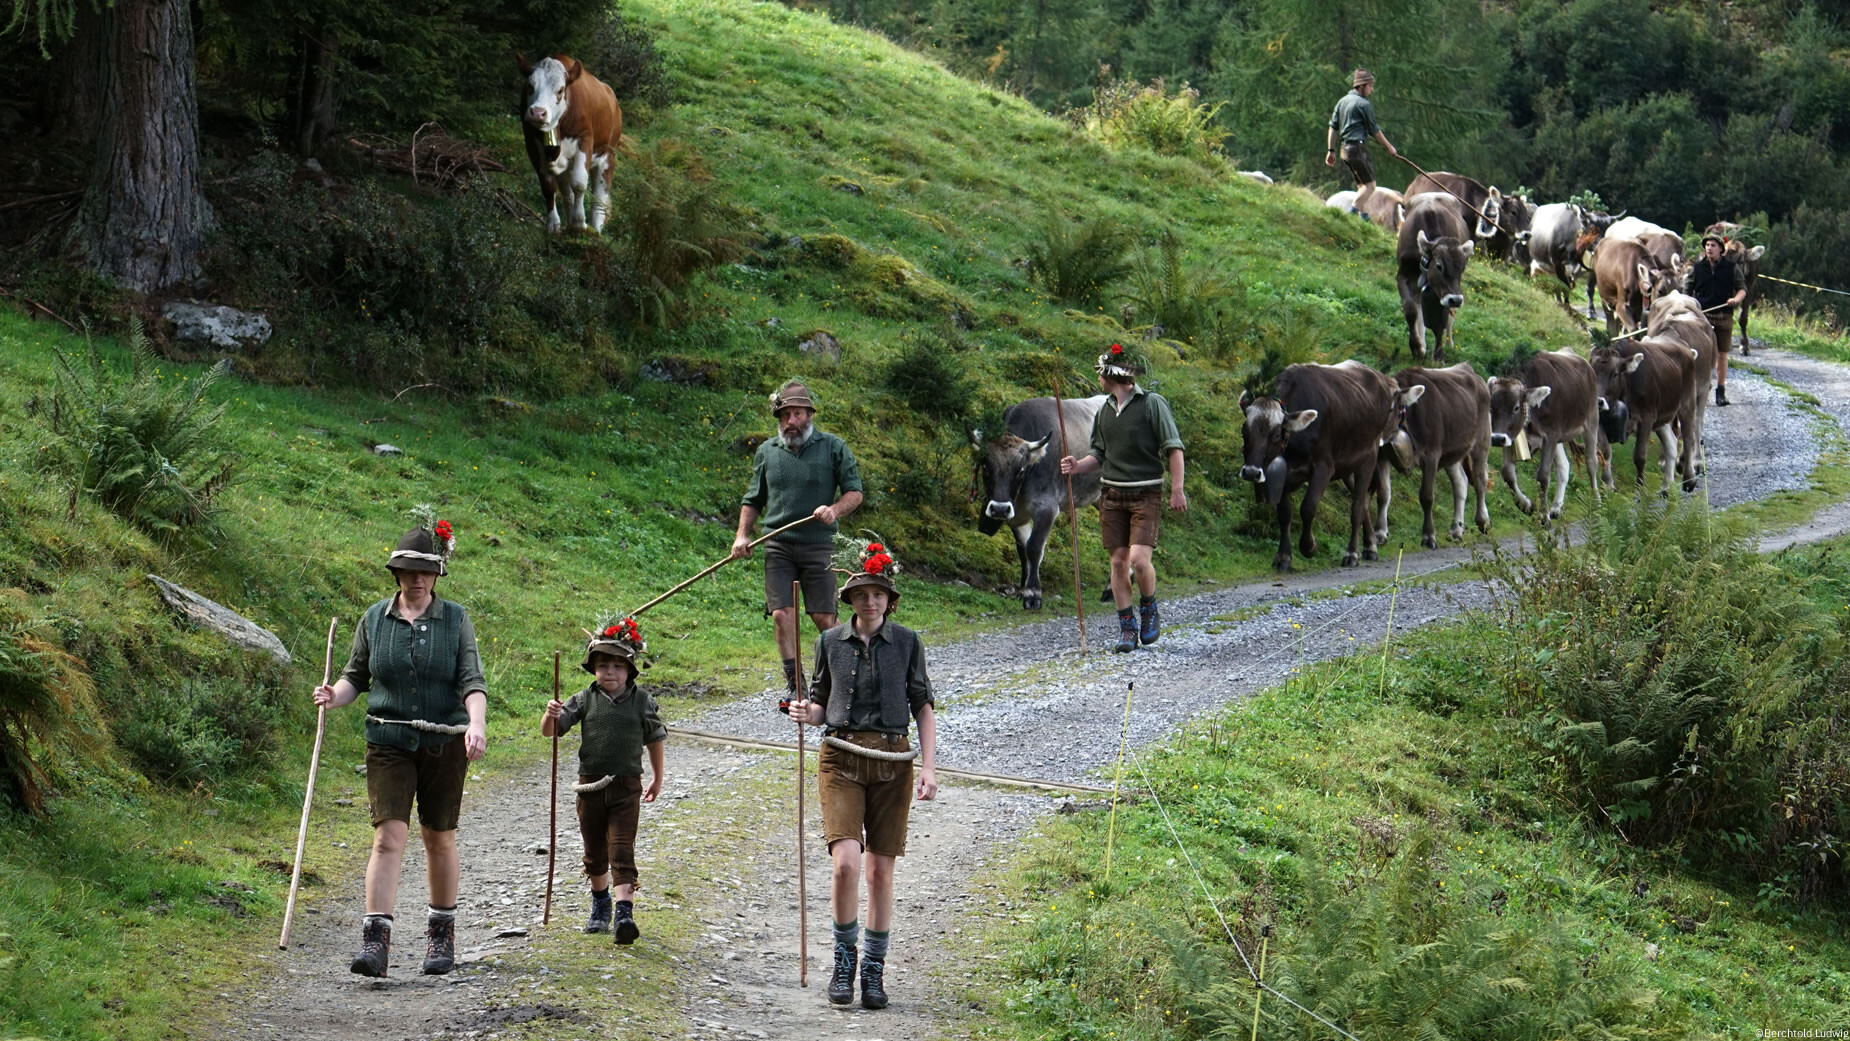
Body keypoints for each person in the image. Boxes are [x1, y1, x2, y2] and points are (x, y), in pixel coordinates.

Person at [313, 510, 487, 978]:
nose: (417, 579)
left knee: (438, 835)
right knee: (388, 837)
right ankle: (375, 943)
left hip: (444, 742)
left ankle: (440, 935)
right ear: (397, 573)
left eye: (425, 570)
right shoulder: (375, 618)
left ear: (436, 574)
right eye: (408, 570)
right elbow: (356, 678)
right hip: (387, 738)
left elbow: (472, 681)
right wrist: (333, 697)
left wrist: (476, 725)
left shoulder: (456, 619)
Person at [786, 542, 937, 1011]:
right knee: (847, 861)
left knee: (879, 870)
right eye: (860, 594)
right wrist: (802, 712)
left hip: (894, 762)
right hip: (841, 758)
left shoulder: (908, 642)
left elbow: (922, 706)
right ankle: (843, 960)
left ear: (888, 600)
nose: (869, 601)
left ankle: (874, 969)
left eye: (877, 593)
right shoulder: (829, 642)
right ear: (849, 600)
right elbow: (819, 704)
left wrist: (929, 766)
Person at [731, 380, 865, 696]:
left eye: (798, 414)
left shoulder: (833, 447)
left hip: (820, 545)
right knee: (781, 614)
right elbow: (753, 499)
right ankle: (796, 686)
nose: (792, 421)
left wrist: (834, 510)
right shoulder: (767, 451)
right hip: (778, 545)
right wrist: (741, 536)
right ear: (779, 418)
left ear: (810, 415)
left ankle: (841, 679)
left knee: (823, 617)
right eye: (786, 414)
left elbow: (855, 493)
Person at [541, 616, 667, 944]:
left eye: (617, 665)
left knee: (622, 848)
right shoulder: (584, 699)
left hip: (627, 787)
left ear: (629, 670)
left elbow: (655, 739)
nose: (609, 672)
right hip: (590, 786)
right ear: (594, 668)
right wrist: (550, 714)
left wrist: (657, 777)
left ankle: (625, 912)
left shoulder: (642, 702)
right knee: (594, 851)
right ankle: (601, 905)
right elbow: (550, 732)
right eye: (602, 665)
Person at [1059, 343, 1187, 653]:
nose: (1097, 379)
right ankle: (1127, 628)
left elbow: (1174, 448)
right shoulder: (1103, 410)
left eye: (1099, 373)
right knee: (1118, 562)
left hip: (1146, 493)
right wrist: (1077, 466)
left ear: (1110, 374)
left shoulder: (1152, 404)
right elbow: (1099, 455)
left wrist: (1177, 489)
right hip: (1112, 495)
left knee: (1140, 561)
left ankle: (1149, 607)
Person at [1325, 68, 1398, 217]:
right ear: (1362, 85)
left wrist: (1331, 151)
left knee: (1362, 186)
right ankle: (1351, 214)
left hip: (1344, 150)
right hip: (1357, 148)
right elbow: (1374, 130)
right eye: (1370, 86)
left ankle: (1363, 217)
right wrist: (1389, 147)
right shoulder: (1363, 104)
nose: (1372, 89)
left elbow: (1333, 127)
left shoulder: (1342, 102)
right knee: (1371, 186)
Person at [1689, 232, 1748, 406]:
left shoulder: (1731, 268)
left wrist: (1736, 300)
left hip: (1724, 316)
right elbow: (1687, 289)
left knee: (1722, 354)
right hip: (1702, 318)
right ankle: (1699, 388)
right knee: (1699, 354)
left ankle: (1720, 391)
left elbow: (1742, 289)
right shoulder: (1697, 268)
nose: (1709, 248)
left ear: (1721, 249)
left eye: (1713, 245)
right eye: (1707, 245)